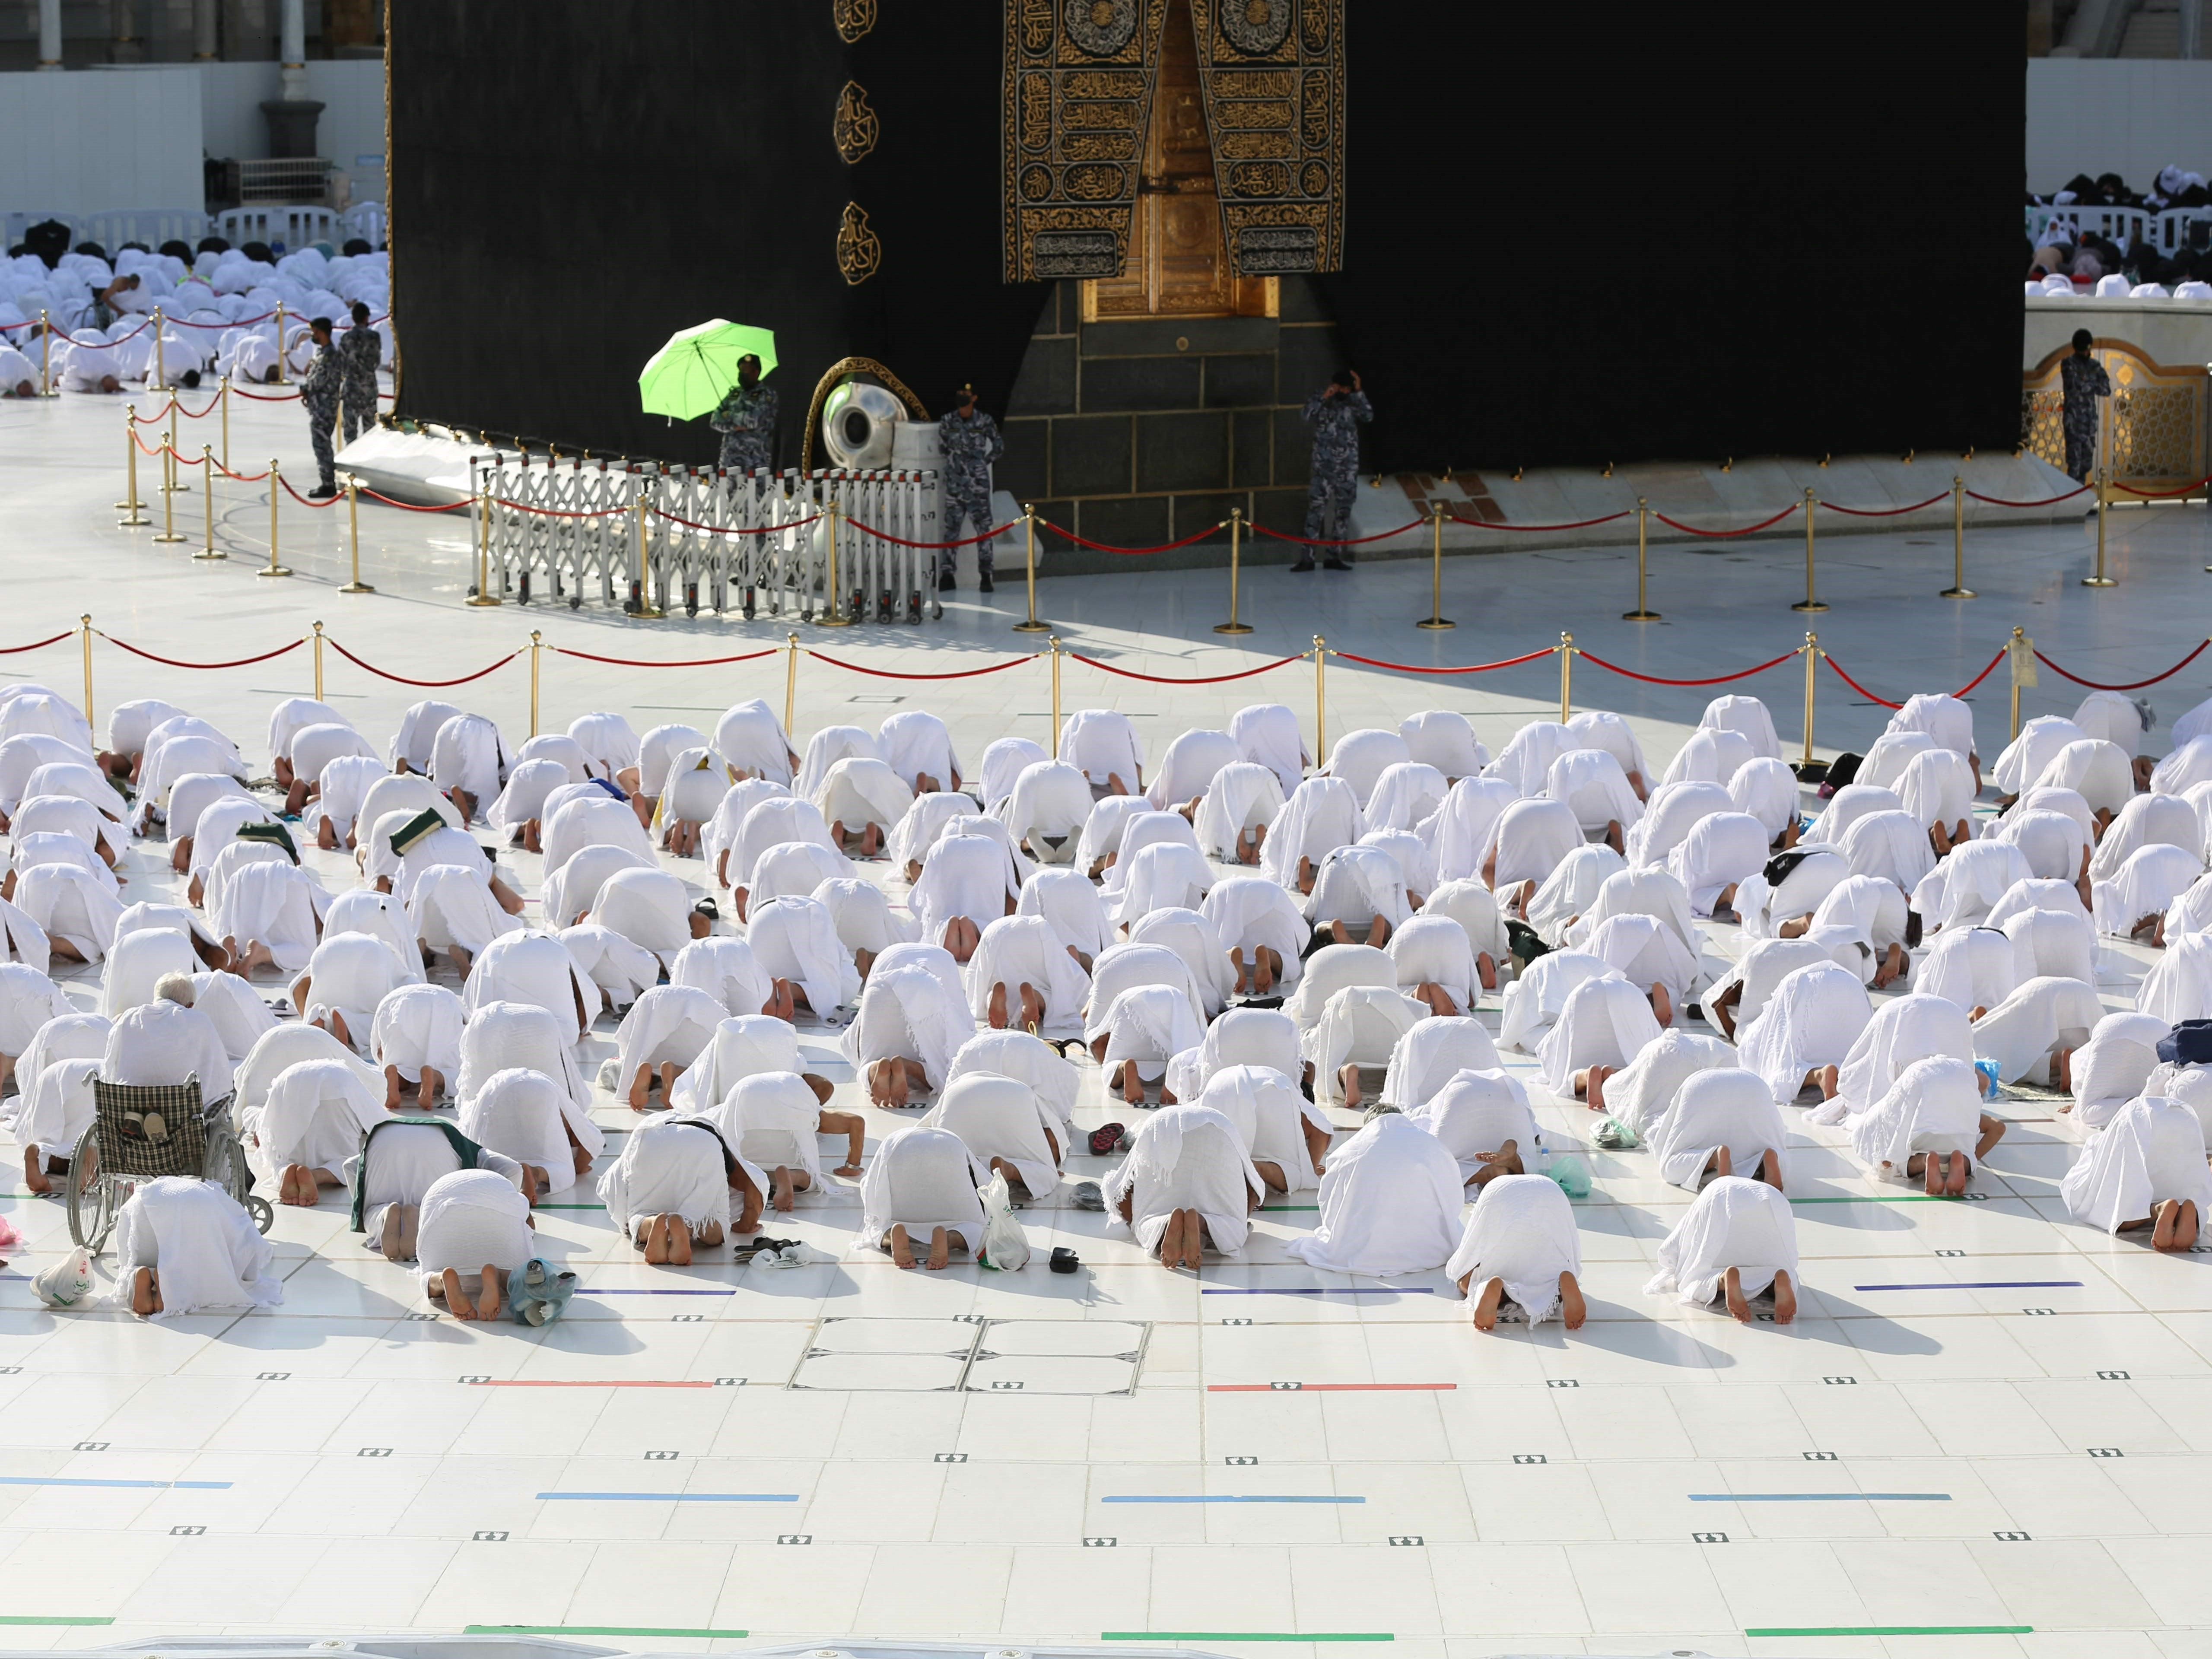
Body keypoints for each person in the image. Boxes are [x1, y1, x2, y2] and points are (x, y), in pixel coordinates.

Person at [1295, 368, 1371, 572]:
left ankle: (1334, 557)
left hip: (1347, 468)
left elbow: (1368, 416)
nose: (1345, 392)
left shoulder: (1354, 400)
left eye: (1348, 388)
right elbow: (1305, 415)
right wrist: (1324, 397)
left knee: (1343, 512)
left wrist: (1359, 391)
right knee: (1316, 511)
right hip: (1324, 468)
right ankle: (1308, 558)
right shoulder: (1322, 397)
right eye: (1342, 388)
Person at [936, 385, 1004, 594]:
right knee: (951, 531)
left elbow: (999, 445)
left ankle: (986, 576)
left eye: (966, 405)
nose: (962, 410)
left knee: (983, 532)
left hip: (977, 488)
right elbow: (943, 447)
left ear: (974, 400)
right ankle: (948, 575)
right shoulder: (948, 421)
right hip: (956, 487)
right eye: (960, 406)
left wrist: (983, 463)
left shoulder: (984, 421)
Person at [710, 353, 777, 473]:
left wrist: (730, 415)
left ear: (756, 372)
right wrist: (737, 426)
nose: (741, 374)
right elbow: (715, 420)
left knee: (755, 492)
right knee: (730, 492)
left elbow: (754, 421)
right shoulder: (733, 394)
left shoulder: (766, 395)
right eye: (740, 370)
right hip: (730, 459)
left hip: (755, 460)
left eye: (745, 370)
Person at [300, 317, 343, 499]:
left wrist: (305, 388)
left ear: (323, 332)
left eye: (315, 332)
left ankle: (328, 484)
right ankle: (326, 481)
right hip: (318, 406)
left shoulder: (330, 355)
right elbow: (311, 374)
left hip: (325, 408)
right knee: (320, 444)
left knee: (322, 444)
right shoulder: (321, 353)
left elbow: (319, 380)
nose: (313, 335)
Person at [2060, 327, 2110, 483]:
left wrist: (2087, 382)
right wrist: (2092, 382)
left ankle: (2082, 504)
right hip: (2074, 424)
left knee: (2086, 466)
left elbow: (2106, 389)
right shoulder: (2068, 364)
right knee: (2074, 466)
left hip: (2089, 424)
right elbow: (2076, 386)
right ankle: (2073, 504)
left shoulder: (2094, 365)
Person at [338, 299, 381, 445]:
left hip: (351, 389)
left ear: (353, 318)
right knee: (370, 431)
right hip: (369, 388)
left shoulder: (346, 338)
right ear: (367, 318)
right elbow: (376, 361)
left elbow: (342, 363)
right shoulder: (374, 337)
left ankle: (350, 462)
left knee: (350, 432)